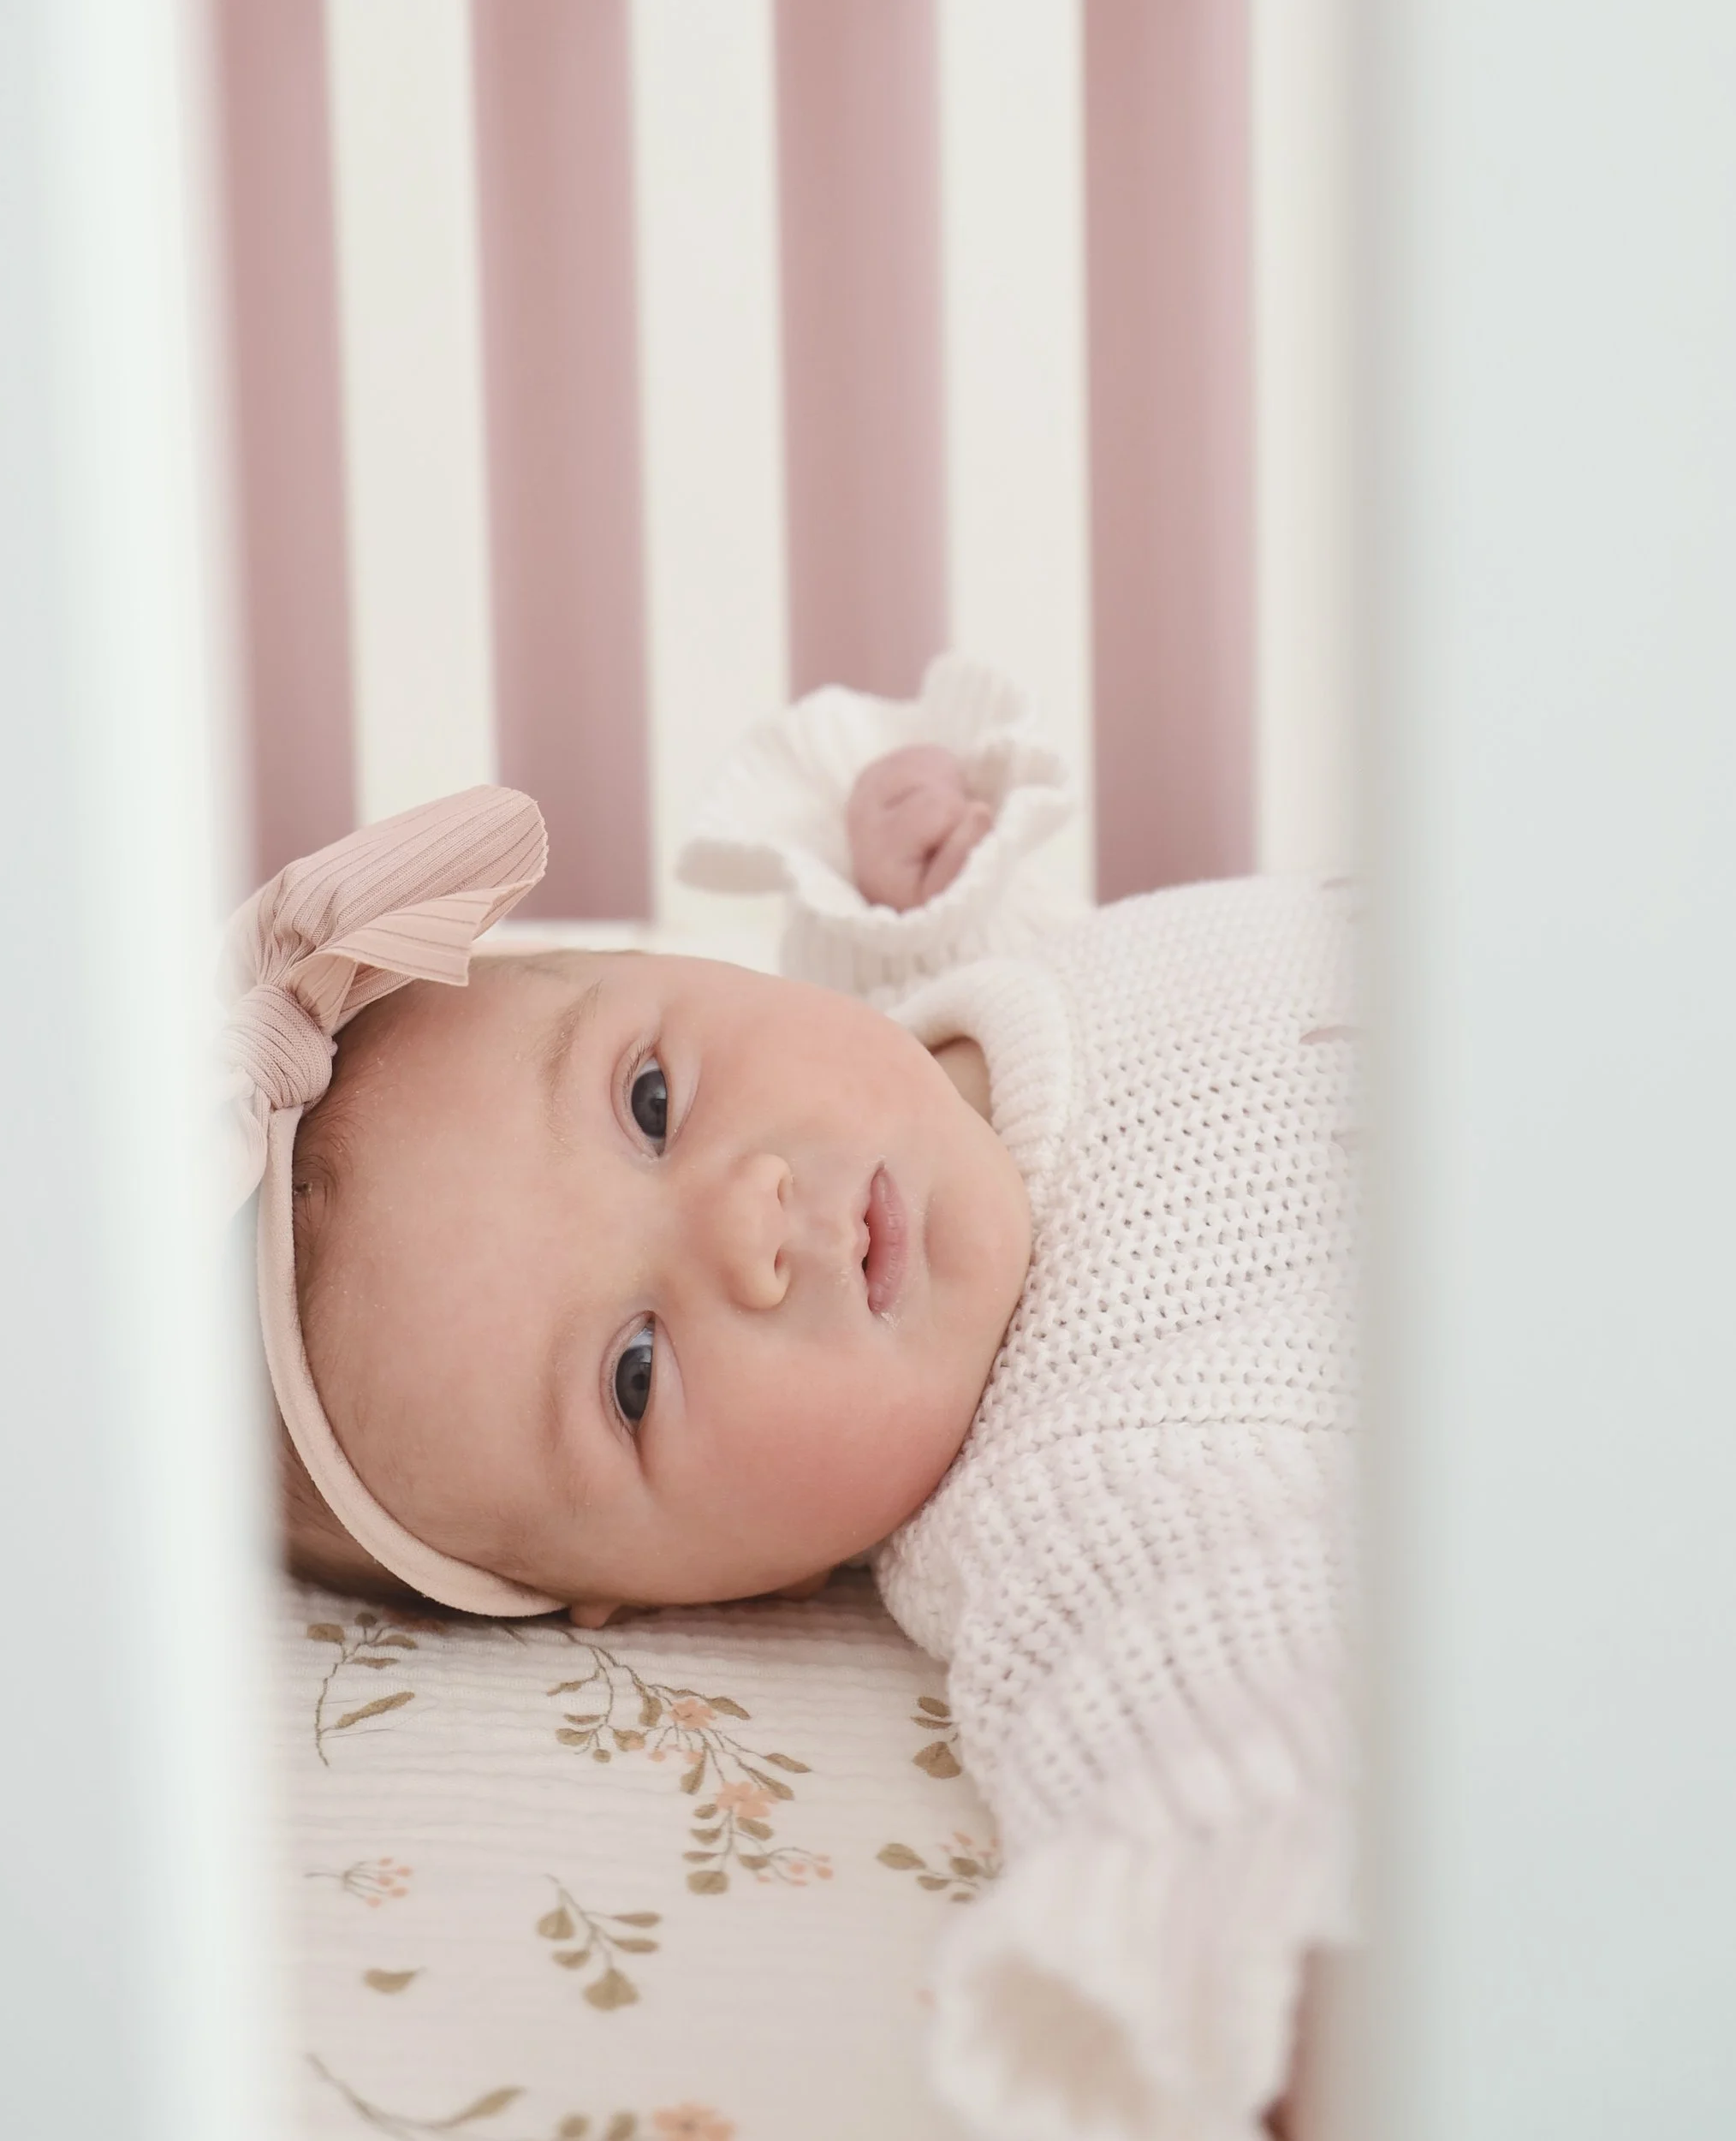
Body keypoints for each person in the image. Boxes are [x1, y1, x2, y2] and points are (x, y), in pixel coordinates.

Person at [222, 661, 1356, 2139]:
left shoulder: (957, 998)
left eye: (650, 1101)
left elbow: (907, 1010)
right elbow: (1218, 1739)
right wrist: (1293, 1976)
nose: (745, 1221)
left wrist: (916, 883)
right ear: (677, 1589)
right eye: (635, 1374)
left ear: (681, 965)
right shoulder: (1084, 1490)